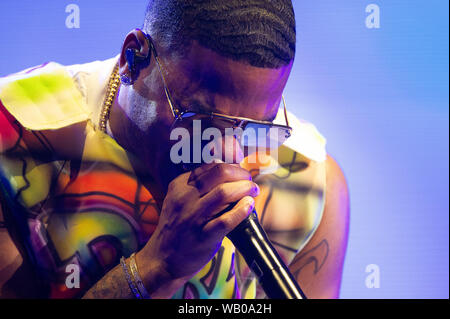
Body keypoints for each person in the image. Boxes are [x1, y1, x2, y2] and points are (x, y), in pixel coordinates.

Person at [0, 0, 349, 299]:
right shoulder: (15, 139)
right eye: (201, 118)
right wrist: (156, 268)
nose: (226, 154)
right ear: (133, 59)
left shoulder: (309, 185)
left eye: (254, 128)